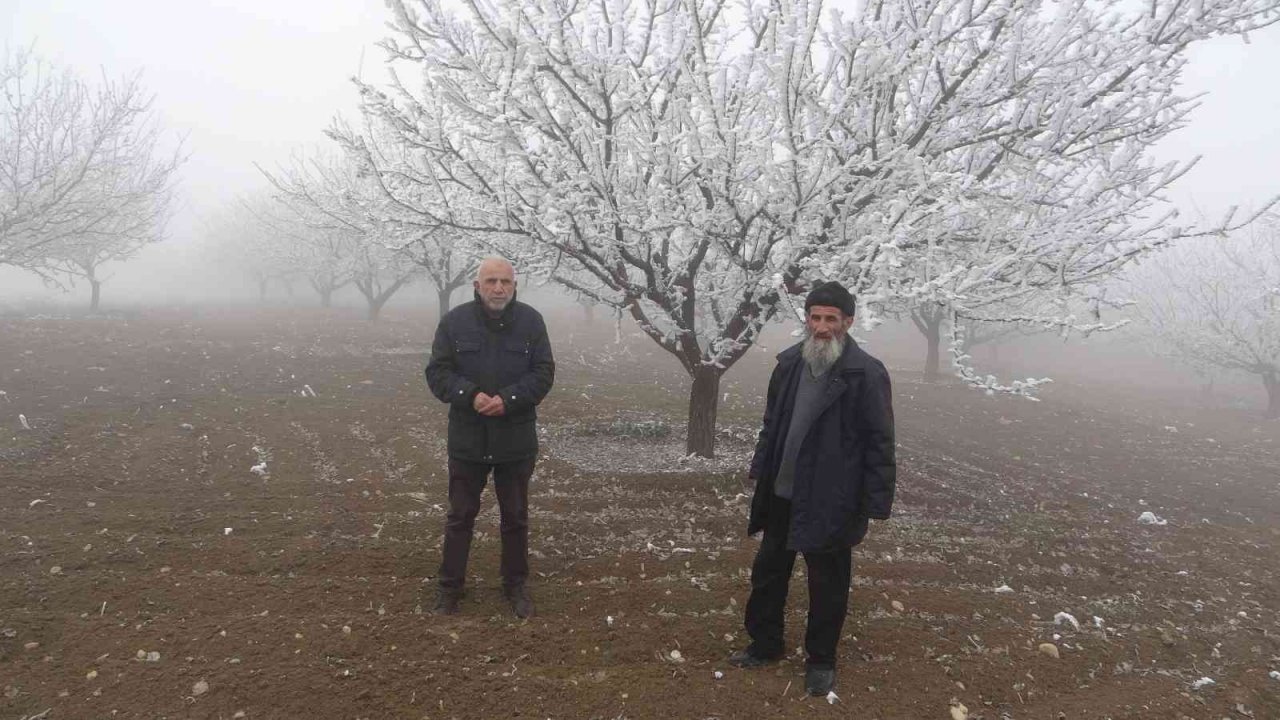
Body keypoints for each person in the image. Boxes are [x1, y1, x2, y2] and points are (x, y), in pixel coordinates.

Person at [728, 280, 896, 697]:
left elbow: (880, 441)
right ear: (806, 319)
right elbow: (772, 423)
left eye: (830, 319)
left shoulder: (865, 374)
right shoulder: (789, 364)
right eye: (815, 317)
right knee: (768, 573)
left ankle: (821, 660)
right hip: (782, 493)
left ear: (848, 322)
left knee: (827, 585)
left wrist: (874, 502)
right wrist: (760, 468)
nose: (821, 327)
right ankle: (765, 644)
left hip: (831, 500)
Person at [424, 257, 555, 618]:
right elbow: (437, 373)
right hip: (468, 438)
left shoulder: (531, 322)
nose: (499, 288)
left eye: (506, 282)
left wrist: (509, 400)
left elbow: (543, 373)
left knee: (515, 517)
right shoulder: (454, 323)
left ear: (515, 286)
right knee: (460, 516)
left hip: (515, 439)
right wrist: (470, 395)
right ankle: (450, 587)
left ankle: (515, 586)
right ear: (477, 286)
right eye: (491, 281)